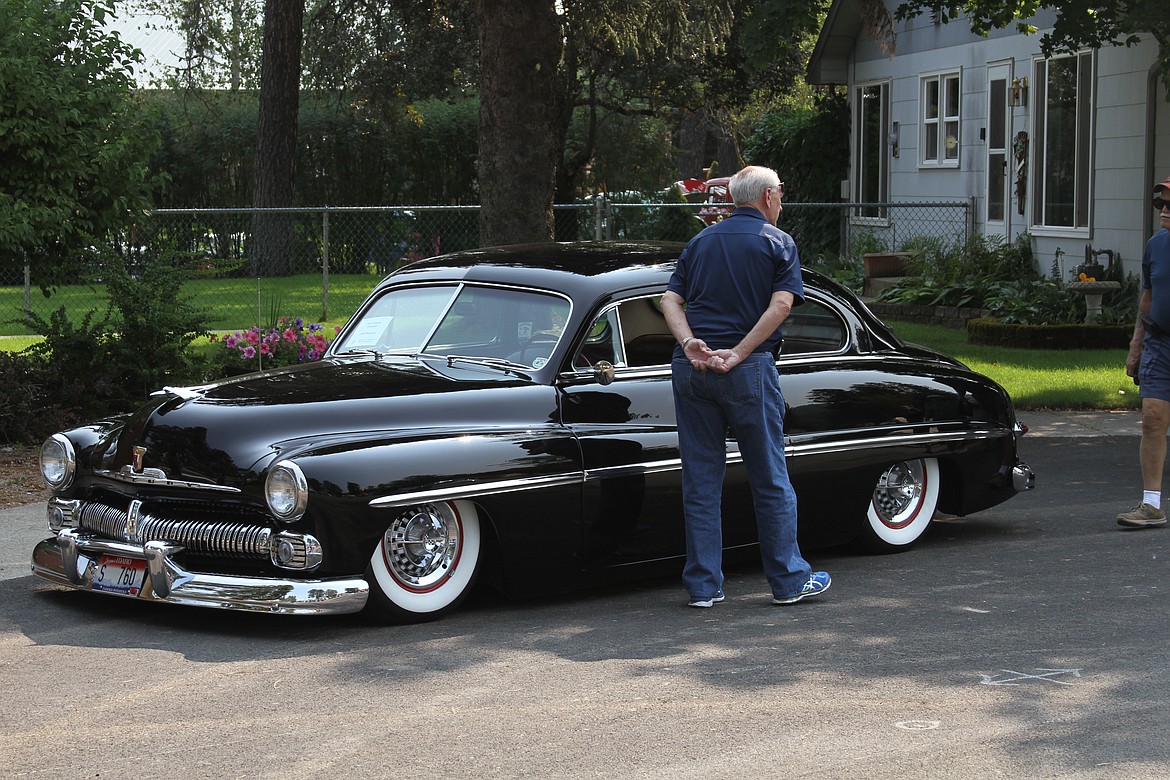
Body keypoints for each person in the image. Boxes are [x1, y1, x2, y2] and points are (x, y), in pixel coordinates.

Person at [660, 165, 831, 607]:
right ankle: (789, 580)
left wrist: (689, 342)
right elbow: (781, 306)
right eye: (781, 194)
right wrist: (737, 353)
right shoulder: (778, 242)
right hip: (748, 369)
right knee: (770, 478)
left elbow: (669, 300)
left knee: (700, 480)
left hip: (691, 367)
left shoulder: (700, 241)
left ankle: (702, 586)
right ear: (769, 196)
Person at [1119, 175, 1170, 529]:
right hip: (1159, 343)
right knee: (1152, 418)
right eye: (1161, 204)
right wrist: (1136, 347)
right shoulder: (1156, 245)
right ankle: (1152, 504)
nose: (1164, 210)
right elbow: (1148, 297)